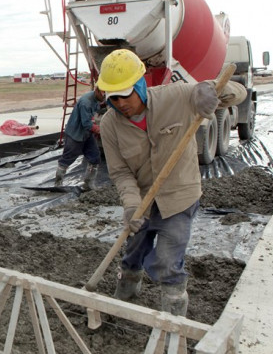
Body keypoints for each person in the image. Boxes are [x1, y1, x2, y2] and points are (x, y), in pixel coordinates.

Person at [98, 49, 247, 316]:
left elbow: (238, 92)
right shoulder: (110, 125)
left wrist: (209, 90)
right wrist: (132, 207)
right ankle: (126, 296)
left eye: (124, 94)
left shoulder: (176, 96)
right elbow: (120, 172)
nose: (119, 103)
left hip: (179, 198)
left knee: (167, 261)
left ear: (141, 86)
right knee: (132, 254)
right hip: (143, 200)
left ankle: (173, 317)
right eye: (113, 97)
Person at [54, 84, 104, 190]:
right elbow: (86, 123)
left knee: (94, 158)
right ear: (97, 91)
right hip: (75, 134)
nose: (105, 96)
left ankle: (88, 184)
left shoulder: (96, 99)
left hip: (86, 134)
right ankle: (58, 183)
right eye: (103, 93)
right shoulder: (86, 102)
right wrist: (100, 130)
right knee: (67, 159)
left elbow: (97, 110)